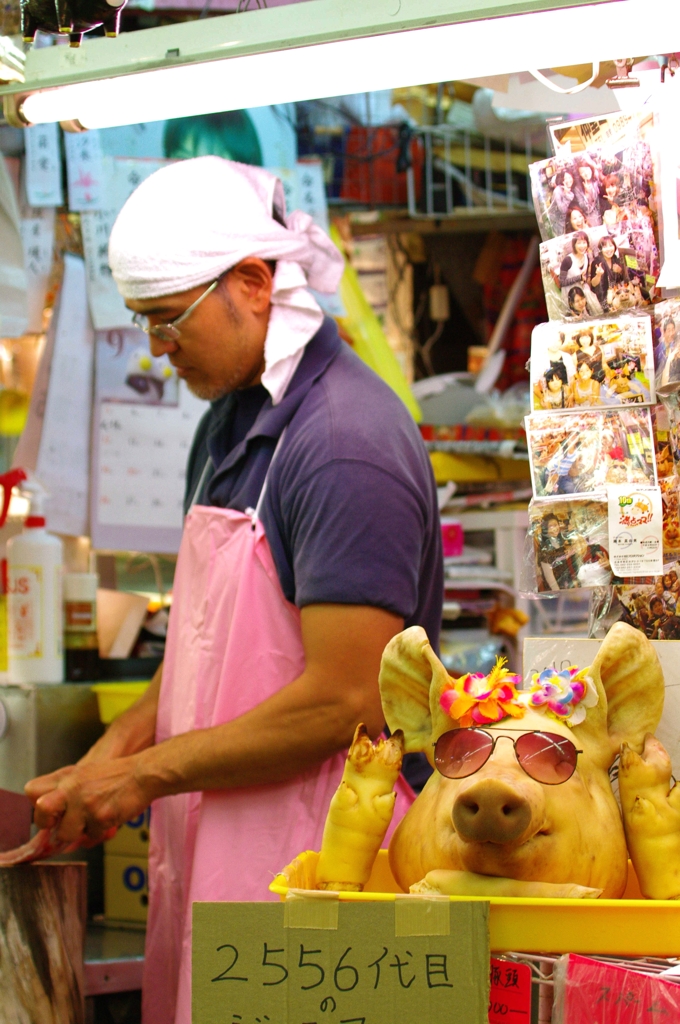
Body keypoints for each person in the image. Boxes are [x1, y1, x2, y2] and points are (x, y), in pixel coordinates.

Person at [23, 158, 443, 1024]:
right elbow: (213, 655)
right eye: (147, 323)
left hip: (327, 870)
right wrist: (124, 742)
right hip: (220, 855)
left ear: (253, 283)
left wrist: (146, 775)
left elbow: (347, 698)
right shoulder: (230, 423)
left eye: (168, 322)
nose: (157, 349)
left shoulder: (342, 443)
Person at [559, 232, 602, 316]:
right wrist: (579, 278)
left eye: (584, 243)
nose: (582, 246)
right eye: (579, 243)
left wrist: (585, 278)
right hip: (571, 292)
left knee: (596, 307)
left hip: (582, 288)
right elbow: (562, 282)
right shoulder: (568, 260)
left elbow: (584, 276)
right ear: (574, 244)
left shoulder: (586, 257)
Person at [588, 237, 629, 312]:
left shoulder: (616, 259)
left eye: (611, 245)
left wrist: (620, 271)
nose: (609, 249)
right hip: (602, 300)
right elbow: (593, 284)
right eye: (605, 247)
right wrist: (598, 275)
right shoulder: (597, 262)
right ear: (600, 249)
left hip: (617, 298)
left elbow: (624, 280)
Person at [538, 514, 577, 590]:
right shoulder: (544, 549)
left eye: (556, 525)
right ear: (545, 529)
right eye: (551, 526)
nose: (555, 528)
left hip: (565, 585)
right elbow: (549, 576)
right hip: (555, 589)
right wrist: (557, 591)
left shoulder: (559, 543)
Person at [547, 168, 575, 236]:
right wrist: (566, 194)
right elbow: (562, 209)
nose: (568, 180)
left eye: (570, 177)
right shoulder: (558, 190)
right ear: (562, 180)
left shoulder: (571, 191)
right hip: (556, 222)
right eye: (565, 178)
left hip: (566, 221)